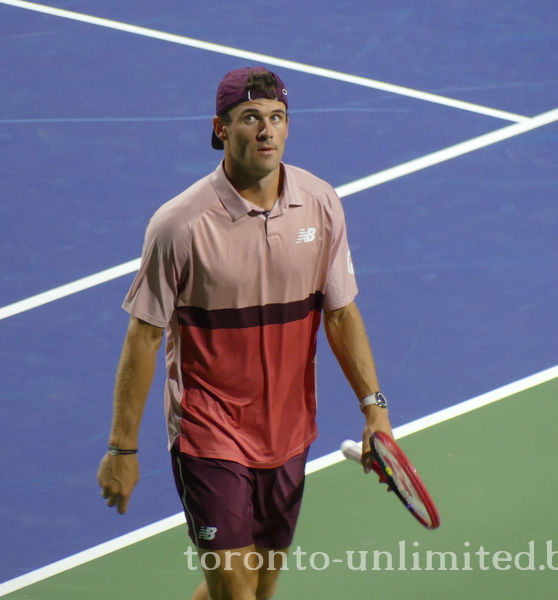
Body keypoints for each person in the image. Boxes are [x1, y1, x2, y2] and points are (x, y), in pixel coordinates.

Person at [97, 66, 394, 600]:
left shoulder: (321, 204)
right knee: (237, 594)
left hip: (288, 430)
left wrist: (376, 410)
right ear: (220, 129)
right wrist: (123, 449)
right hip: (209, 432)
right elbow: (144, 336)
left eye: (277, 118)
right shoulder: (180, 224)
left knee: (254, 590)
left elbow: (341, 314)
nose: (266, 130)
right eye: (250, 118)